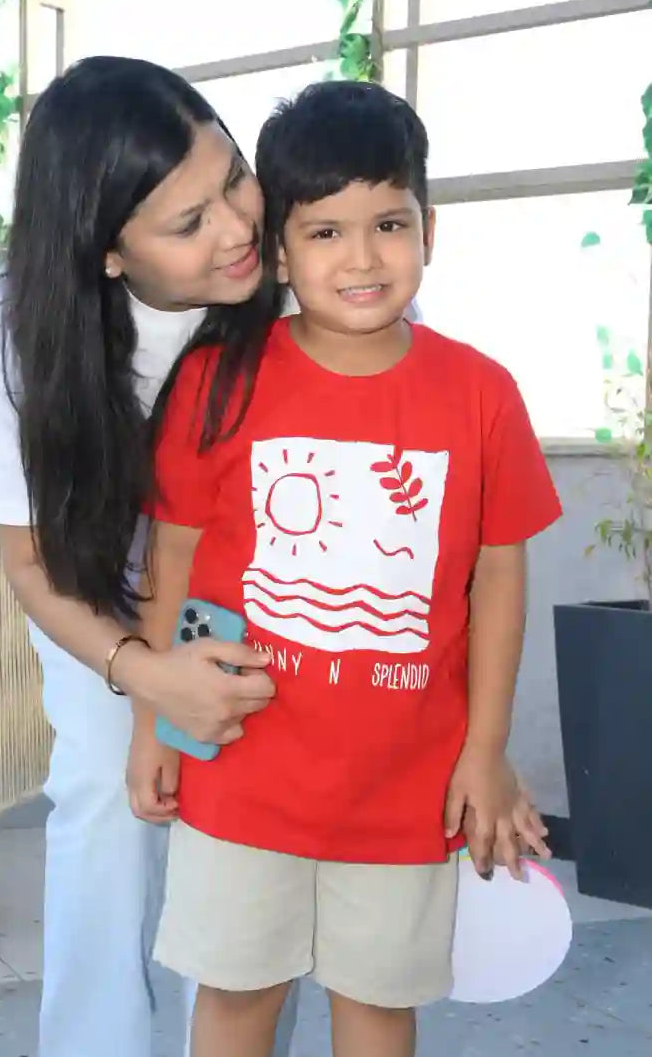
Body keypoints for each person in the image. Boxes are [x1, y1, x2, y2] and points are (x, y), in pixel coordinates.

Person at [132, 80, 560, 1057]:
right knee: (235, 996)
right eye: (324, 232)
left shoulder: (481, 396)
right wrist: (153, 728)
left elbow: (499, 576)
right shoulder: (218, 380)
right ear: (278, 246)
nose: (361, 258)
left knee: (376, 1007)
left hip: (403, 789)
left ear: (428, 229)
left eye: (388, 224)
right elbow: (176, 557)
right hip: (241, 770)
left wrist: (483, 751)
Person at [0, 56, 299, 1057]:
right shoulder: (19, 332)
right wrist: (143, 672)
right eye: (188, 223)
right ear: (108, 253)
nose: (239, 228)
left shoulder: (292, 274)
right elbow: (28, 561)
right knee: (109, 801)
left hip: (254, 573)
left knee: (252, 825)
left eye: (233, 178)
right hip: (96, 584)